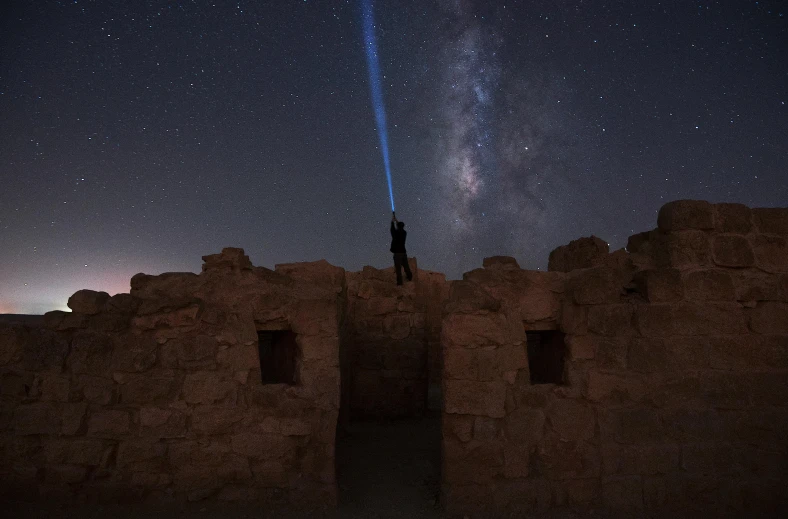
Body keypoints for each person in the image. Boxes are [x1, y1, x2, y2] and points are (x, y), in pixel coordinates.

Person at [390, 212, 413, 285]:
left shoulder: (396, 233)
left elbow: (392, 230)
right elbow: (398, 226)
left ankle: (400, 283)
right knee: (406, 266)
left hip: (397, 253)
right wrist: (395, 219)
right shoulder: (404, 232)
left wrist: (392, 222)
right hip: (403, 252)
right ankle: (410, 277)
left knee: (398, 269)